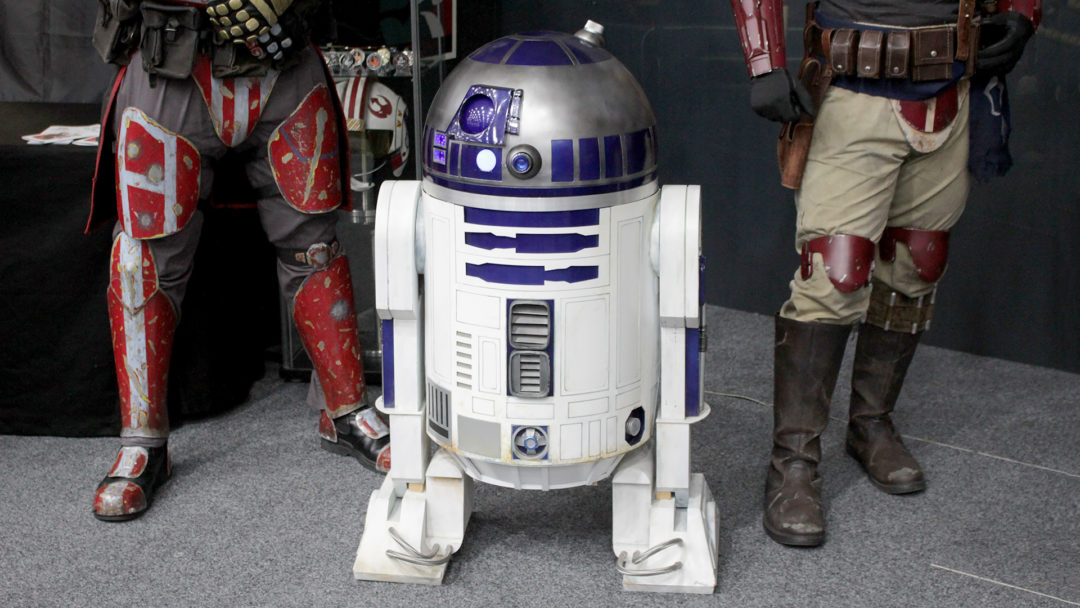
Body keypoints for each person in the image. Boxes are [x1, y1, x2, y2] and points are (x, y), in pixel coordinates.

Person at [728, 0, 1040, 546]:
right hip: (855, 90)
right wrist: (765, 62)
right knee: (834, 277)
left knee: (915, 267)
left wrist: (1021, 12)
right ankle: (793, 462)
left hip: (953, 90)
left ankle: (870, 423)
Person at [88, 0, 391, 521]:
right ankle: (143, 439)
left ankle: (345, 409)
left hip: (282, 54)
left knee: (314, 246)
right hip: (170, 55)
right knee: (143, 257)